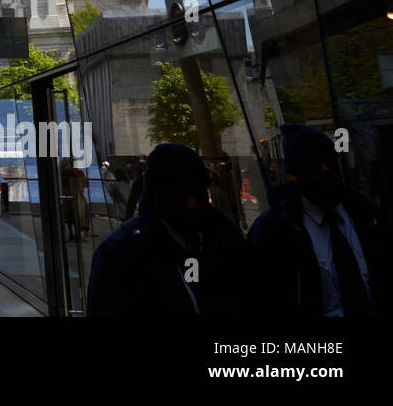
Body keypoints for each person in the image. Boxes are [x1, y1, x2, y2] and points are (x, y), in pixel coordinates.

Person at [86, 143, 254, 316]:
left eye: (199, 193)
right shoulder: (119, 253)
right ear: (156, 194)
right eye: (180, 194)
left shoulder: (227, 238)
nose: (192, 203)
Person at [248, 126, 387, 317]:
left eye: (329, 161)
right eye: (313, 164)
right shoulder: (274, 231)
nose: (325, 170)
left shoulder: (366, 215)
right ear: (297, 173)